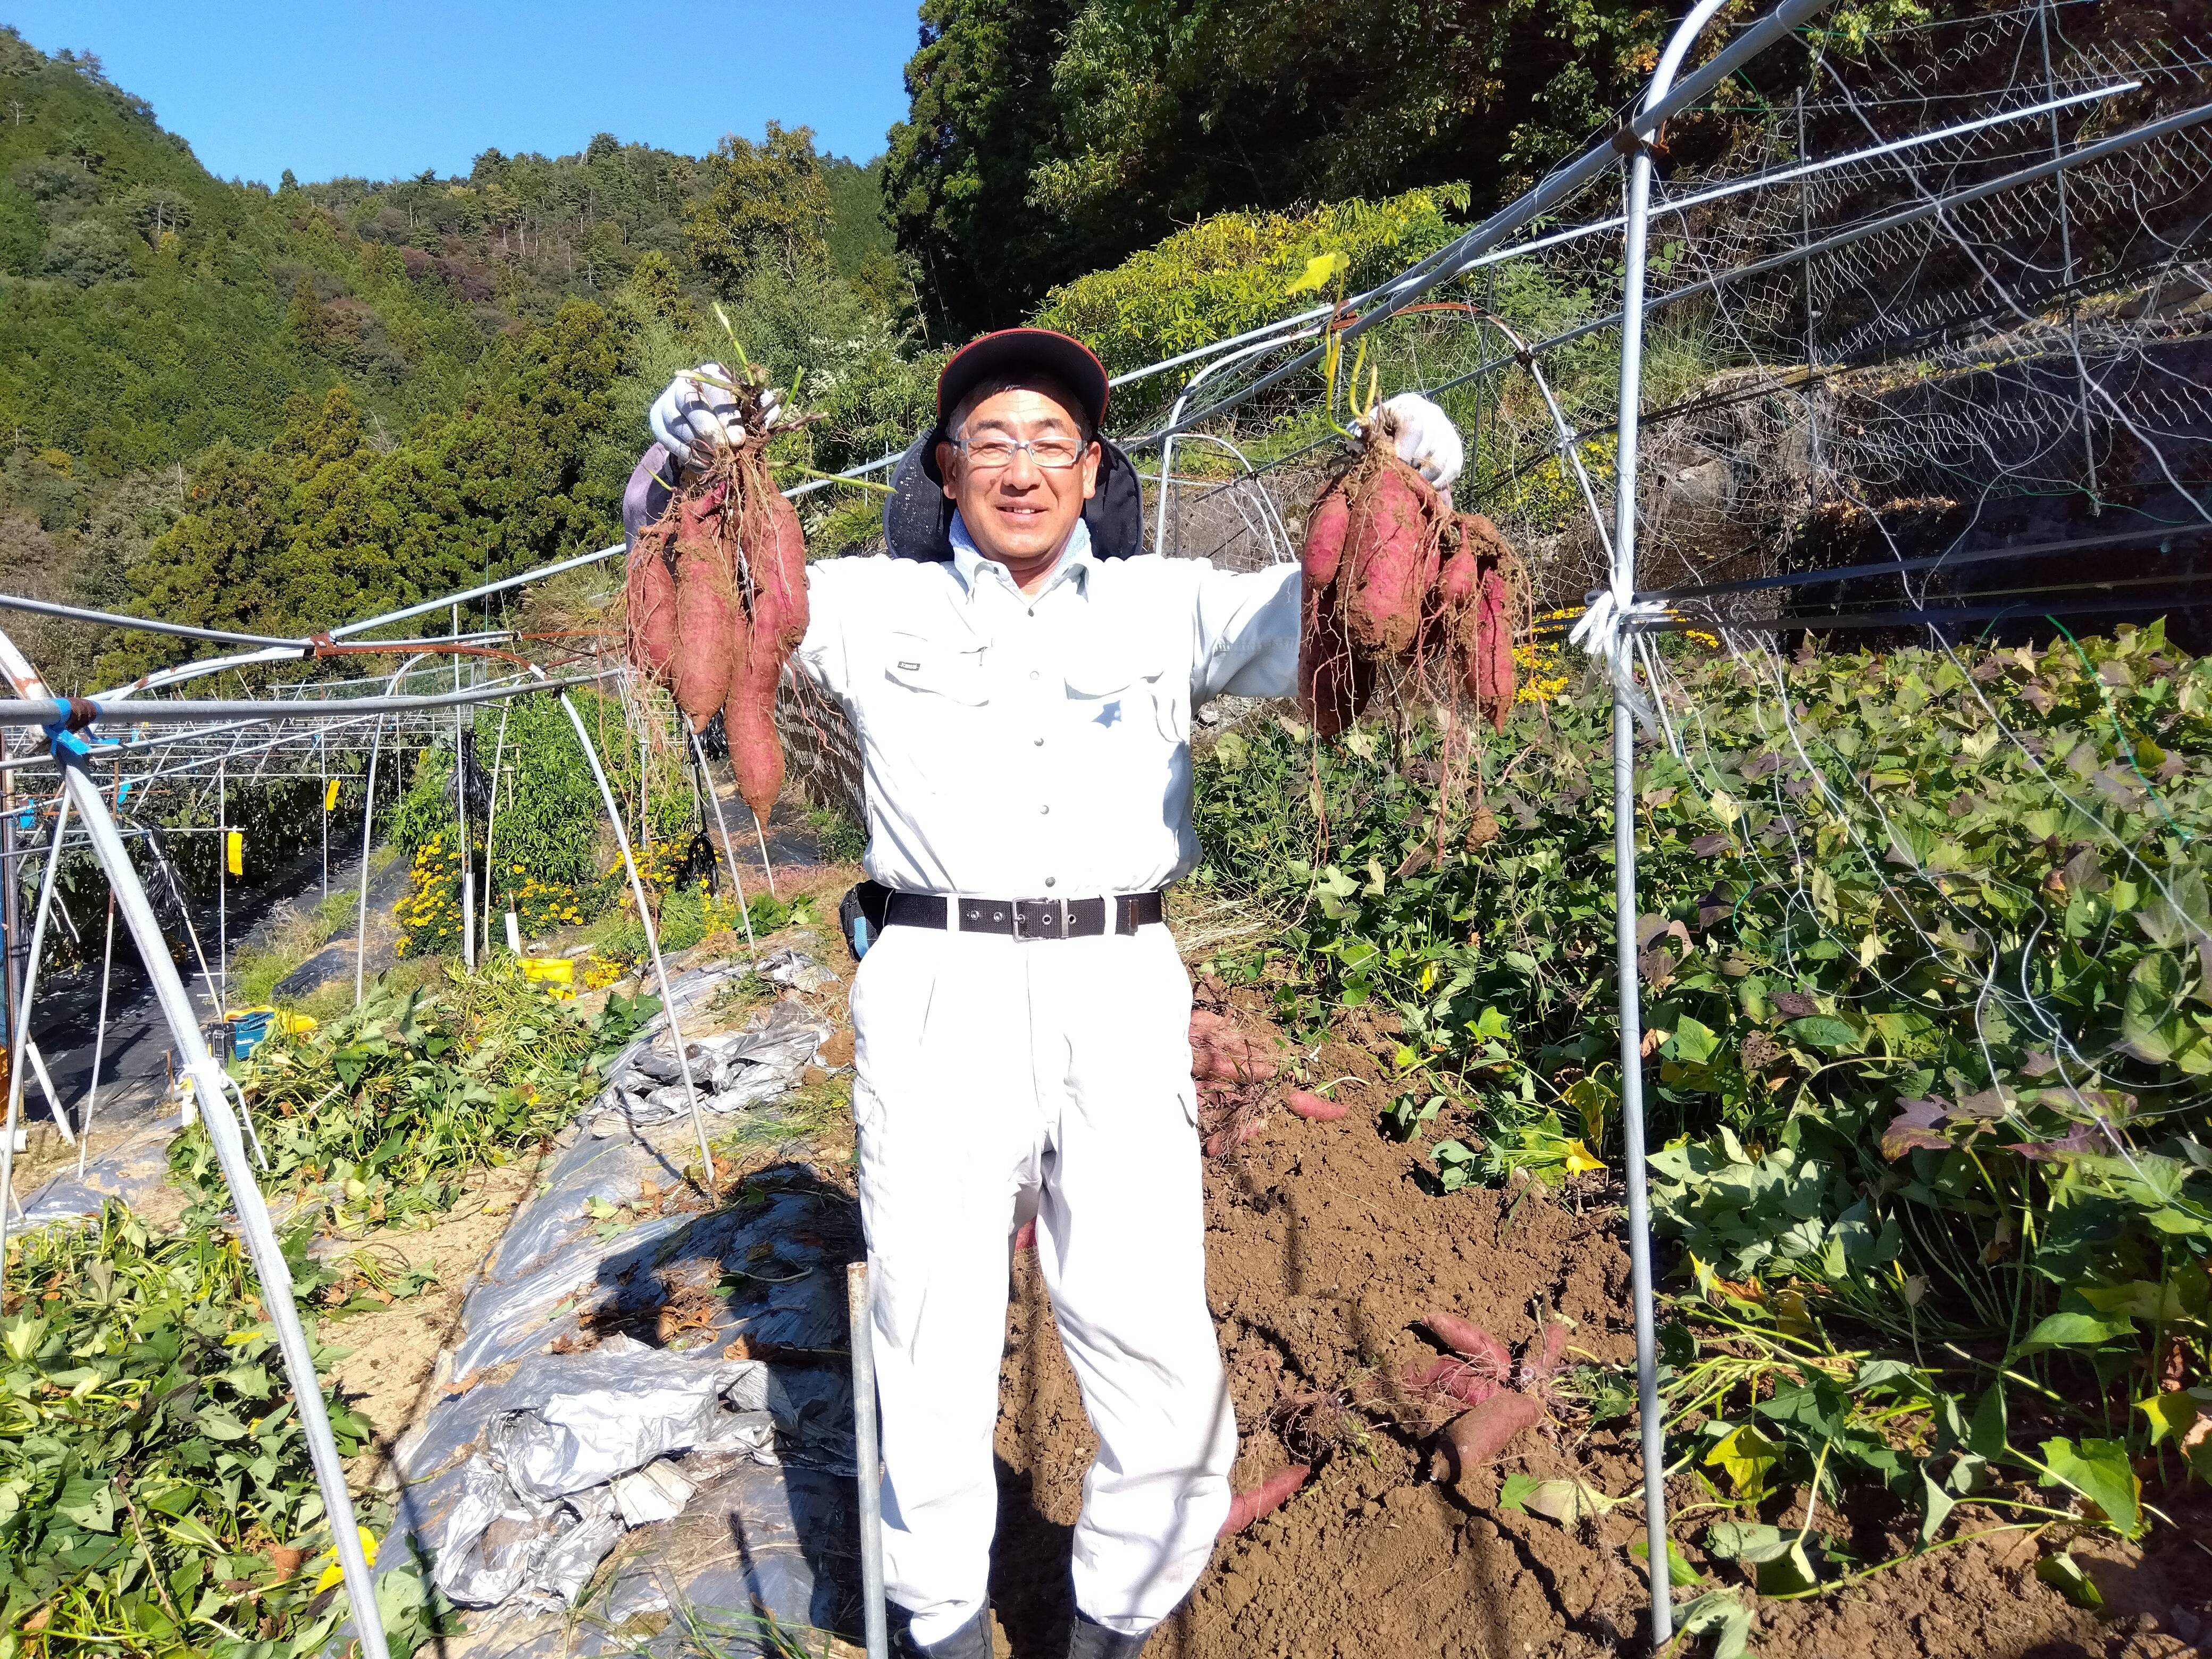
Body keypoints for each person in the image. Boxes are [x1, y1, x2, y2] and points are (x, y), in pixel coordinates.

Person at [625, 330, 1462, 1658]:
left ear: (1093, 469)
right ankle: (941, 1622)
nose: (1022, 469)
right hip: (935, 977)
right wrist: (686, 466)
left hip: (1117, 981)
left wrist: (1401, 490)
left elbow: (1334, 621)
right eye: (992, 441)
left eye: (1052, 442)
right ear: (944, 469)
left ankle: (1117, 1620)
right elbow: (719, 595)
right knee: (926, 1321)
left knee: (1146, 1323)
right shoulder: (866, 603)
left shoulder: (1165, 603)